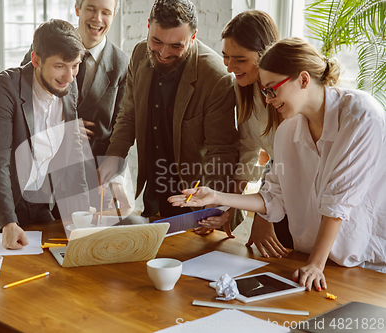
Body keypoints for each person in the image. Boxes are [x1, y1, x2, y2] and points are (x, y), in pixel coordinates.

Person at [169, 37, 386, 291]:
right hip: (309, 264)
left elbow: (337, 202)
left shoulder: (360, 115)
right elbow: (272, 198)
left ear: (303, 79)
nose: (268, 99)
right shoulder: (287, 131)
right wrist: (217, 197)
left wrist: (316, 264)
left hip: (364, 268)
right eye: (264, 91)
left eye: (272, 89)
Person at [99, 0, 238, 218]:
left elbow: (222, 152)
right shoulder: (138, 54)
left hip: (194, 198)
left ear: (193, 37)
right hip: (153, 192)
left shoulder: (215, 77)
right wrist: (114, 155)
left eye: (176, 46)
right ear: (148, 26)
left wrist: (211, 207)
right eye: (156, 41)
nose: (163, 53)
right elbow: (129, 115)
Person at [0, 19, 90, 249]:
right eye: (60, 66)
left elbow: (74, 155)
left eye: (75, 65)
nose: (69, 76)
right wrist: (7, 222)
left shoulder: (68, 87)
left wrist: (83, 213)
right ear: (36, 60)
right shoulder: (5, 87)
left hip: (38, 204)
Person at [193, 10, 290, 258]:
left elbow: (286, 163)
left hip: (300, 191)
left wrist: (263, 215)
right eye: (226, 56)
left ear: (265, 55)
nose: (229, 66)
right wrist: (227, 207)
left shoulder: (287, 94)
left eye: (239, 59)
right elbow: (247, 149)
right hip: (278, 190)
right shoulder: (243, 88)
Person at [20, 0, 131, 210]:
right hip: (43, 175)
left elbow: (124, 127)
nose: (97, 19)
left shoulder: (122, 65)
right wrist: (61, 129)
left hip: (93, 181)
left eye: (106, 12)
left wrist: (116, 174)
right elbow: (22, 108)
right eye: (91, 9)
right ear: (77, 8)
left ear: (114, 15)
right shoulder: (45, 47)